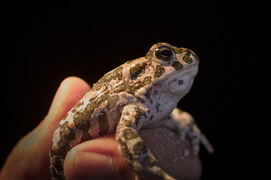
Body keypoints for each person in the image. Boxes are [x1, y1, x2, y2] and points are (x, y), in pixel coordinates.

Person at [0, 77, 202, 180]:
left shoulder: (155, 103)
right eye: (165, 56)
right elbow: (126, 132)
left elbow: (169, 115)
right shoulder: (133, 100)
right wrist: (150, 169)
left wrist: (185, 123)